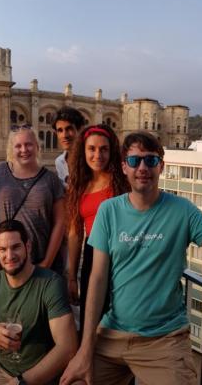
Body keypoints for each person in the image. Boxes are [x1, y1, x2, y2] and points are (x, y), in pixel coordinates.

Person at [60, 131, 202, 385]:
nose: (142, 168)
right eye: (134, 161)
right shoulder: (109, 211)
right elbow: (97, 279)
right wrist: (85, 348)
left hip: (163, 340)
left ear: (161, 166)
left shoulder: (182, 211)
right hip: (113, 333)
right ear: (123, 167)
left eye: (150, 160)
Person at [0, 219, 81, 385]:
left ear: (27, 246)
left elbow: (67, 348)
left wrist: (21, 382)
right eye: (3, 249)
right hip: (3, 372)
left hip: (43, 376)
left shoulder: (50, 284)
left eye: (15, 247)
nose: (9, 256)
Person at [66, 124, 129, 336]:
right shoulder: (79, 185)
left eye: (104, 149)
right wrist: (71, 276)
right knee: (92, 318)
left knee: (118, 318)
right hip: (92, 254)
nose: (97, 155)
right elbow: (75, 232)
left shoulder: (122, 182)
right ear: (83, 151)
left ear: (112, 152)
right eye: (91, 149)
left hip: (120, 255)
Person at [0, 125, 65, 273]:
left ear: (37, 146)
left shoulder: (51, 179)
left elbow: (60, 222)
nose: (24, 150)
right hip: (5, 261)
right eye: (18, 146)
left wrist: (47, 262)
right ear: (11, 149)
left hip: (40, 260)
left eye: (29, 144)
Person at [52, 107, 86, 185]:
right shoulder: (59, 162)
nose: (64, 135)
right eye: (60, 130)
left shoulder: (91, 159)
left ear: (80, 129)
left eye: (69, 129)